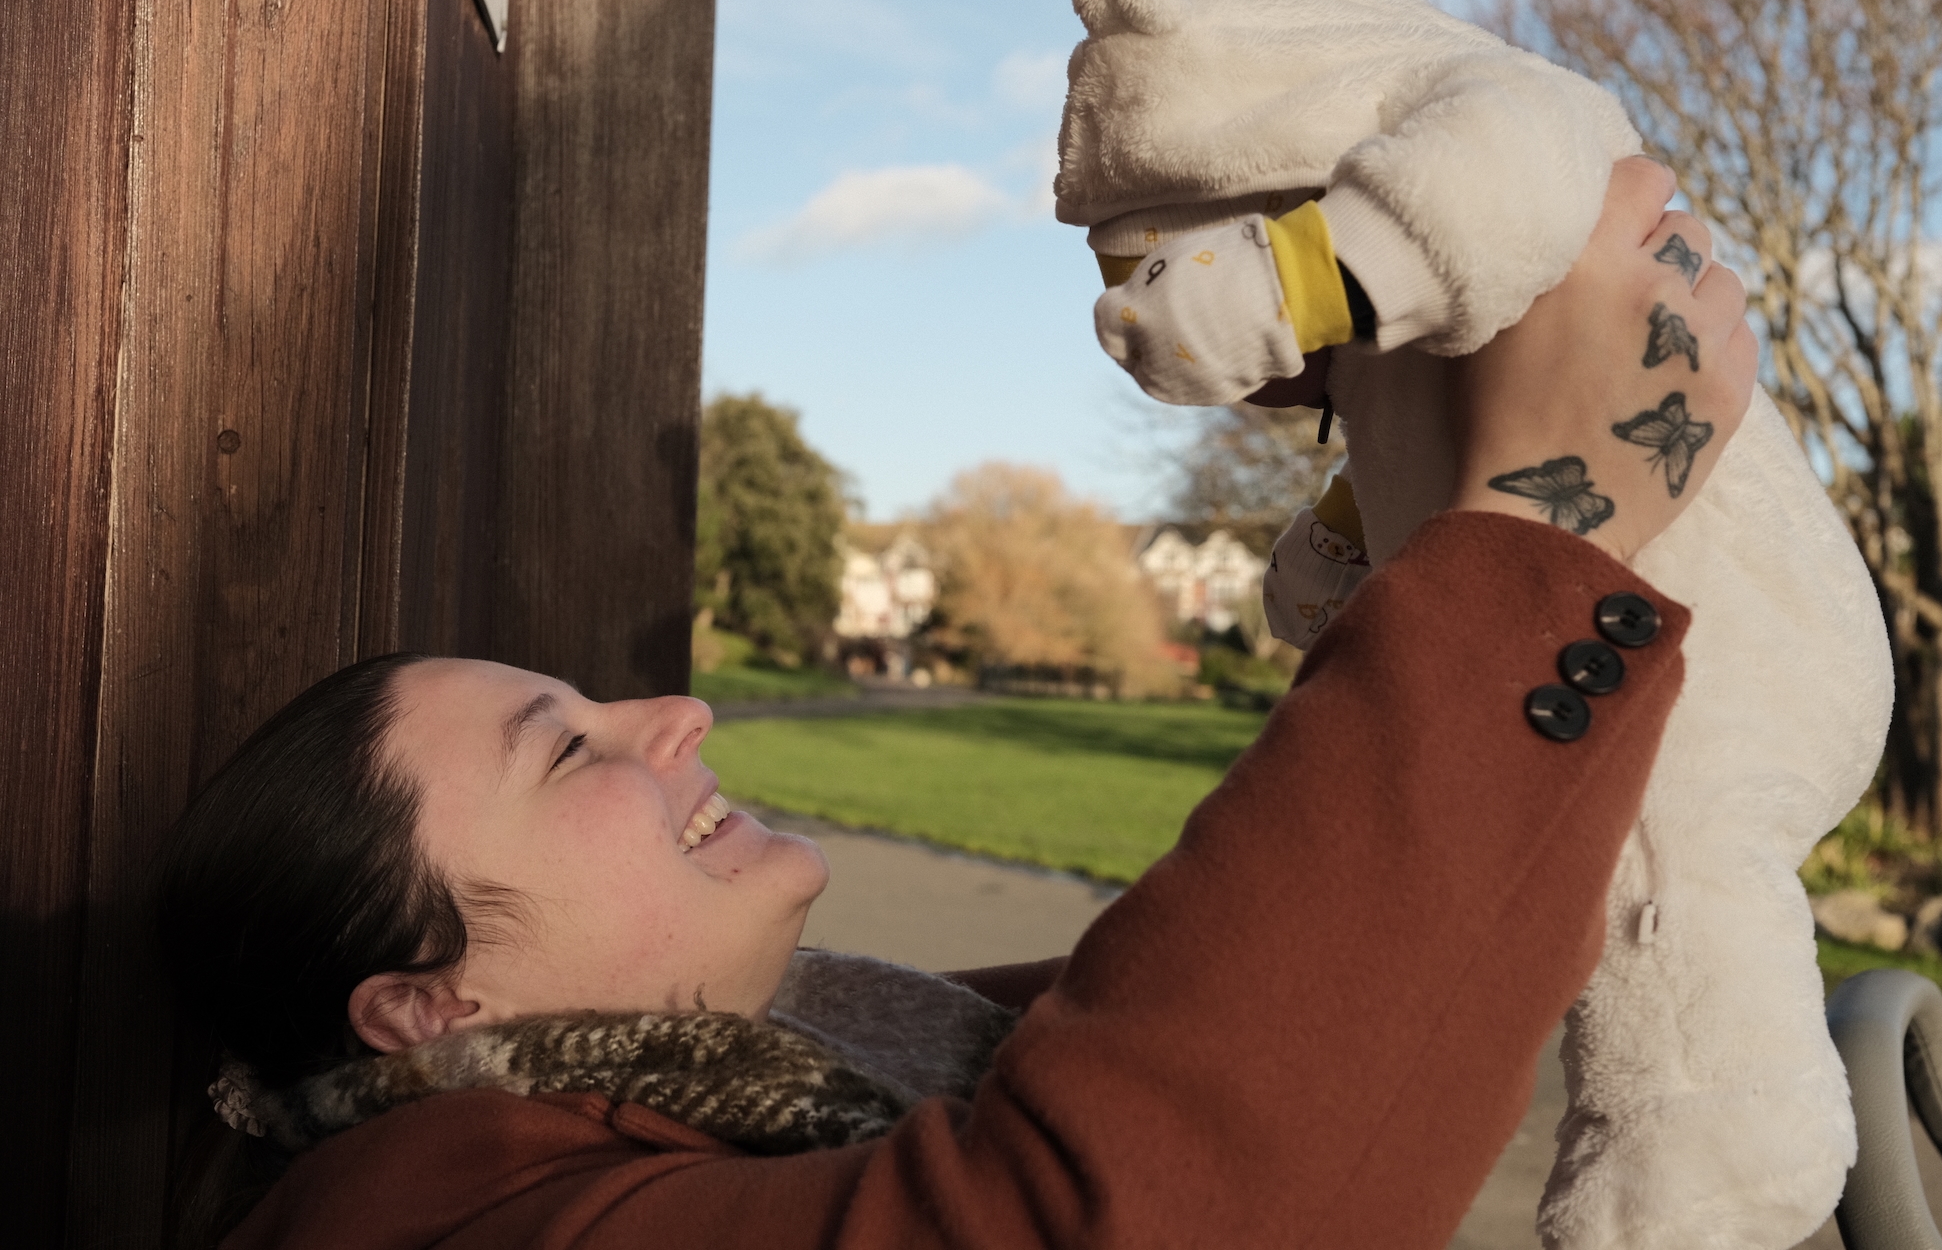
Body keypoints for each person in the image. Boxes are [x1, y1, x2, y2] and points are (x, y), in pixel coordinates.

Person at [154, 155, 1755, 1248]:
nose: (678, 716)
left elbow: (1204, 1004)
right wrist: (1548, 524)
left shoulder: (794, 1057)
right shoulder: (439, 1211)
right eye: (564, 744)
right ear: (429, 1009)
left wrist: (1415, 454)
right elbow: (1113, 1202)